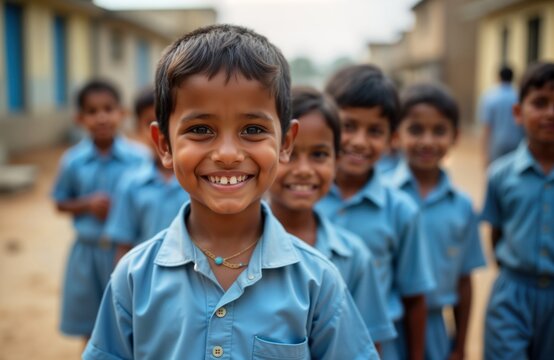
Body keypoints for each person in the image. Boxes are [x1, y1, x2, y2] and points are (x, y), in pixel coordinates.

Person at [83, 25, 378, 359]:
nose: (227, 153)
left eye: (252, 130)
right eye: (200, 130)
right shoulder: (135, 278)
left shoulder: (317, 280)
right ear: (164, 145)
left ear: (286, 143)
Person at [317, 64, 435, 360]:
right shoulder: (300, 199)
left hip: (378, 346)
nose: (359, 141)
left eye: (375, 131)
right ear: (327, 125)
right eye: (349, 126)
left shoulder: (402, 211)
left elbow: (414, 298)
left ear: (392, 138)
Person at [268, 86, 397, 350]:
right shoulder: (235, 248)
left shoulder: (354, 256)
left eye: (319, 155)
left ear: (336, 160)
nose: (304, 170)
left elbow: (369, 344)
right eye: (288, 154)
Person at [387, 84, 486, 360]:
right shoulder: (383, 197)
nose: (428, 141)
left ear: (455, 136)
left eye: (439, 131)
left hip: (435, 328)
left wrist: (461, 345)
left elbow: (464, 281)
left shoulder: (462, 206)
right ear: (396, 135)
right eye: (416, 130)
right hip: (387, 322)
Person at [51, 80, 148, 345]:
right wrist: (86, 204)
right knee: (91, 327)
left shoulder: (139, 158)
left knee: (132, 324)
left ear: (122, 113)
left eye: (108, 108)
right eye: (92, 111)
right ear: (79, 118)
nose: (101, 117)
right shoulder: (72, 160)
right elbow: (60, 202)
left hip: (128, 252)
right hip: (87, 254)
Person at [481, 62, 554, 360]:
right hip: (512, 295)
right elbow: (496, 233)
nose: (550, 113)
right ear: (518, 113)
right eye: (539, 103)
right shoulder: (500, 175)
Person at [104, 87, 189, 264]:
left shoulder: (202, 180)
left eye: (170, 121)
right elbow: (123, 244)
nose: (163, 132)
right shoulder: (131, 183)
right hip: (147, 280)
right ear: (138, 129)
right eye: (151, 122)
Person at [480, 65, 524, 164]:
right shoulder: (518, 96)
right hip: (517, 142)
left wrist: (484, 153)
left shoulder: (490, 96)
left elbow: (487, 126)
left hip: (497, 144)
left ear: (498, 77)